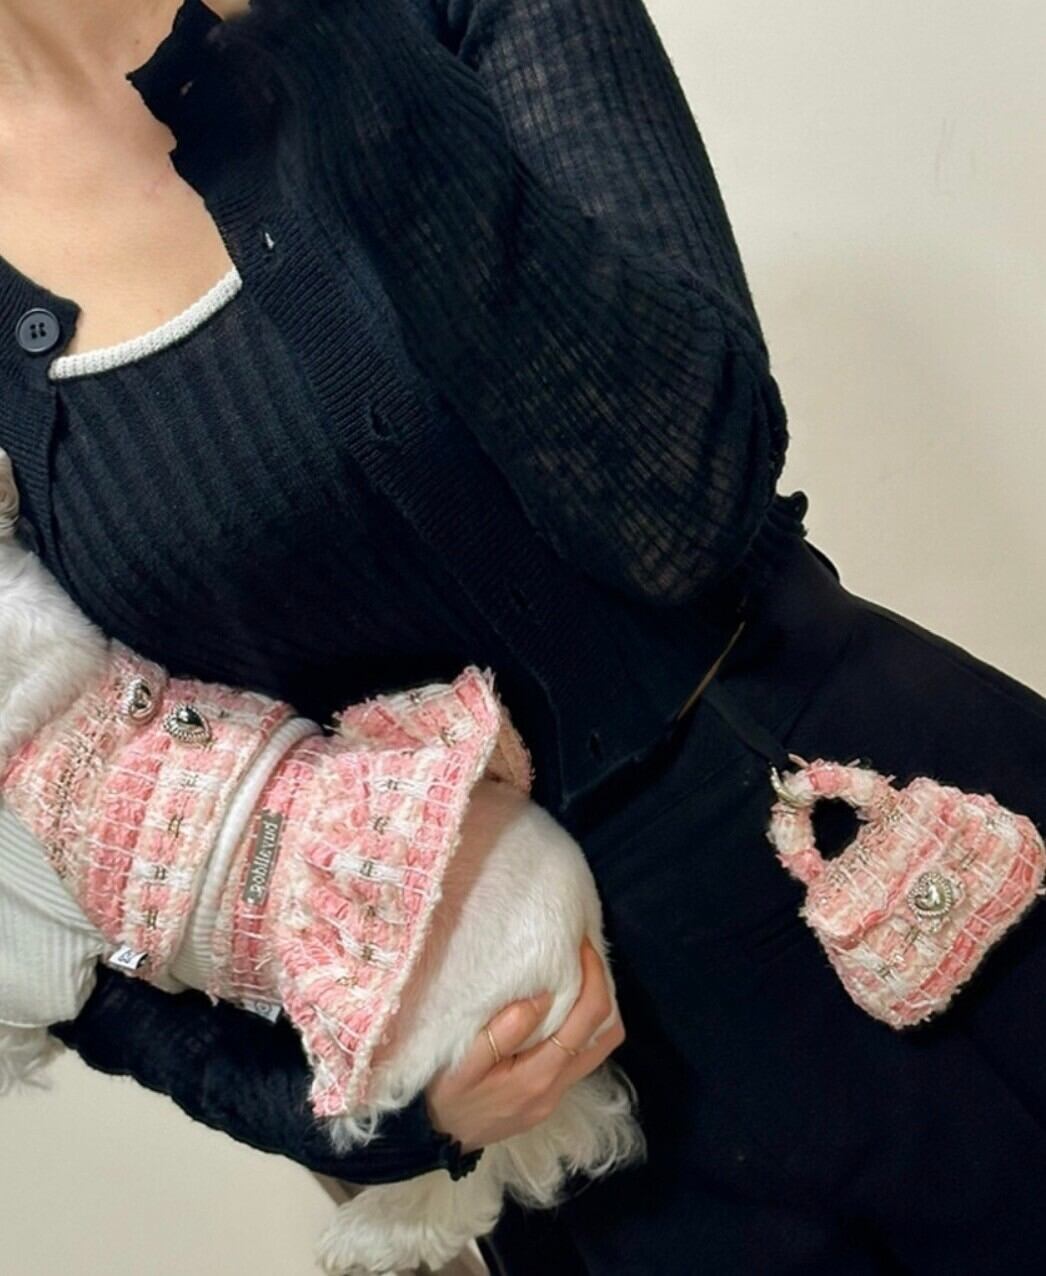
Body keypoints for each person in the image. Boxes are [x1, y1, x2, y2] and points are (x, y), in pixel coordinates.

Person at [2, 2, 1045, 1273]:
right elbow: (43, 920)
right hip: (579, 1145)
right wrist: (367, 1121)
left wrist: (326, 46)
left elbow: (684, 504)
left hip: (908, 886)